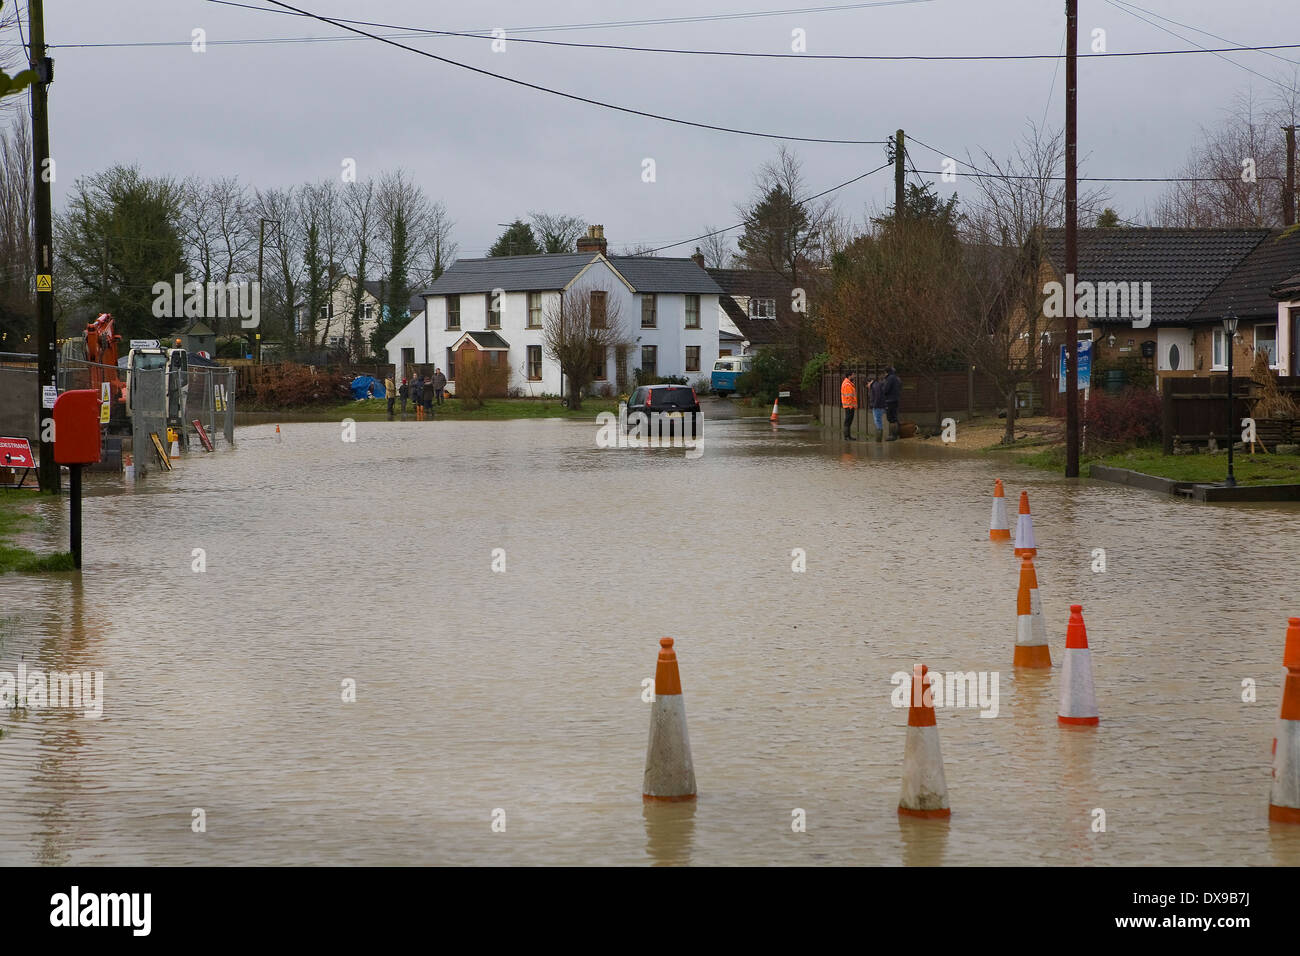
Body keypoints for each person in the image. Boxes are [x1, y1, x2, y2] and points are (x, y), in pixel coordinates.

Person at [882, 366, 902, 441]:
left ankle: (893, 435)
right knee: (895, 417)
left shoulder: (889, 378)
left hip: (890, 400)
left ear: (886, 372)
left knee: (891, 418)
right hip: (896, 399)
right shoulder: (897, 378)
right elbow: (900, 387)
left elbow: (886, 389)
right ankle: (896, 434)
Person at [840, 370, 858, 440]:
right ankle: (847, 436)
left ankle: (848, 436)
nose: (854, 376)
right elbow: (849, 397)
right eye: (853, 375)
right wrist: (851, 405)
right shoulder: (847, 384)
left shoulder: (848, 383)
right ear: (849, 376)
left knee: (849, 421)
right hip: (849, 406)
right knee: (848, 421)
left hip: (849, 405)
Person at [868, 371, 885, 439]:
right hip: (879, 406)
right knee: (878, 420)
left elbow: (877, 397)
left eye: (867, 385)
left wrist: (874, 405)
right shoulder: (876, 385)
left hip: (877, 407)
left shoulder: (875, 386)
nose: (868, 387)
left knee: (877, 421)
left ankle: (879, 438)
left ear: (869, 382)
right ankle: (879, 437)